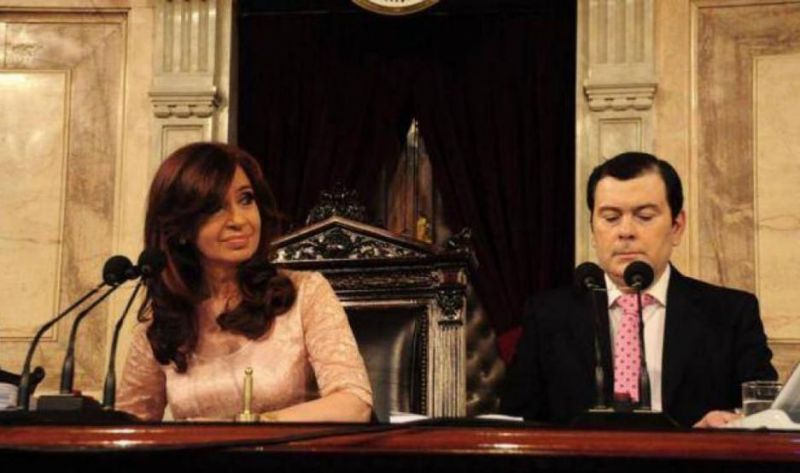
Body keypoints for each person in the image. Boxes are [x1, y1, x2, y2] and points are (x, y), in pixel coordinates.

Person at [501, 151, 777, 428]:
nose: (626, 231)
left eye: (644, 216)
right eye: (611, 217)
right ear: (593, 229)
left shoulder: (730, 314)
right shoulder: (548, 316)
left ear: (677, 226)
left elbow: (764, 417)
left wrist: (720, 430)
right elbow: (516, 425)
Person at [117, 142, 373, 422]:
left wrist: (252, 426)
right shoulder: (164, 322)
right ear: (180, 229)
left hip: (286, 451)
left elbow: (353, 404)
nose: (239, 220)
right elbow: (129, 427)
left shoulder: (306, 293)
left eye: (246, 199)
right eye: (215, 208)